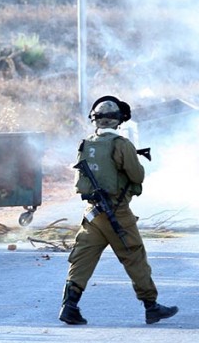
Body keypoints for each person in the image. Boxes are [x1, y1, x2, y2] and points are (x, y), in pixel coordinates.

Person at [59, 95, 178, 326]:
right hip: (117, 213)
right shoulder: (121, 144)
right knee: (134, 256)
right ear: (118, 121)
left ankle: (69, 305)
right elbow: (137, 176)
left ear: (95, 120)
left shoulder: (87, 144)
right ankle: (151, 306)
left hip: (92, 214)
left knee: (82, 258)